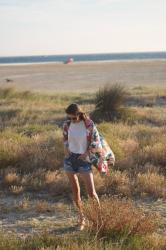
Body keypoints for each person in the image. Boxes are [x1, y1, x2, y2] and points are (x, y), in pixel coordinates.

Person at [62, 103, 101, 231]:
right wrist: (66, 149)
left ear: (79, 114)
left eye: (73, 118)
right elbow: (65, 139)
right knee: (75, 191)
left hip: (84, 160)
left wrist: (86, 153)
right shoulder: (67, 124)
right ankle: (81, 219)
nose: (71, 120)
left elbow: (96, 141)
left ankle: (98, 220)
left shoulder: (89, 124)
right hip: (70, 160)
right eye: (69, 117)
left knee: (91, 192)